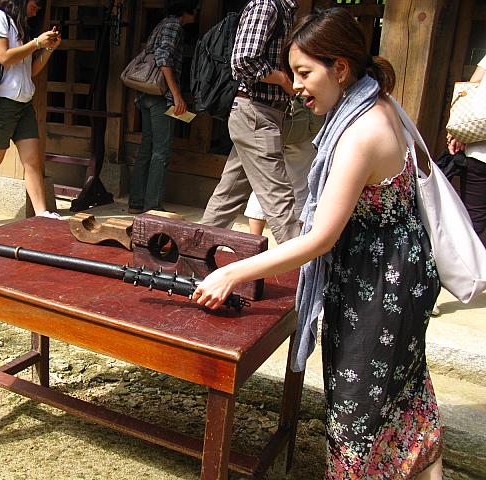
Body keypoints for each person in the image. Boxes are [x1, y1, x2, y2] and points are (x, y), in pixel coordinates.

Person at [193, 8, 443, 479]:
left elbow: (321, 238)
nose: (297, 85)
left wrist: (233, 271)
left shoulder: (361, 133)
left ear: (340, 68)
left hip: (381, 286)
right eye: (293, 73)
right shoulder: (377, 104)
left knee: (357, 410)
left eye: (305, 73)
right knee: (403, 395)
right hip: (392, 272)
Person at [200, 0, 300, 244]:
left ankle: (194, 250)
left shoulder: (285, 9)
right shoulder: (267, 5)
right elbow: (243, 60)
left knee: (228, 195)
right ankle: (304, 263)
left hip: (261, 113)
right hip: (256, 112)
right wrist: (284, 80)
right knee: (278, 197)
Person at [0, 0, 61, 230]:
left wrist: (48, 49)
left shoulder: (22, 26)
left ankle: (41, 213)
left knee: (32, 161)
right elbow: (4, 56)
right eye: (35, 4)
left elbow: (31, 71)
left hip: (23, 103)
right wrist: (36, 43)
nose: (37, 9)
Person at [127, 0, 198, 215]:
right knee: (161, 151)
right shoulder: (174, 26)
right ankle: (153, 205)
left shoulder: (162, 24)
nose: (197, 13)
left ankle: (136, 202)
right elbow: (164, 59)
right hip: (160, 96)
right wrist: (176, 95)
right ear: (186, 9)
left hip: (146, 93)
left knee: (146, 148)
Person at [245, 97, 321, 236]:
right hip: (303, 127)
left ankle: (253, 238)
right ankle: (295, 239)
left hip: (271, 121)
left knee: (264, 181)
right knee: (300, 182)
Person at [447, 53, 486, 247]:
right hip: (479, 154)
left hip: (480, 152)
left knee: (471, 225)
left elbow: (471, 87)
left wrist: (461, 132)